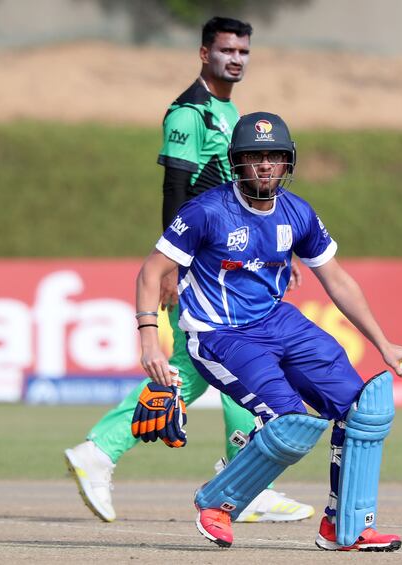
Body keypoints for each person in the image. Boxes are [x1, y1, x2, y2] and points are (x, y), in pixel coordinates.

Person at [135, 111, 402, 551]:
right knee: (290, 423)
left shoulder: (297, 212)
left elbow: (337, 280)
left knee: (363, 409)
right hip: (219, 334)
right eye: (254, 157)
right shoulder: (206, 211)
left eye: (274, 157)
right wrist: (150, 339)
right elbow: (151, 272)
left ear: (288, 163)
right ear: (237, 163)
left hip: (277, 321)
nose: (264, 166)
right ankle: (217, 501)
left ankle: (346, 527)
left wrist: (382, 343)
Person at [64, 17, 308, 525]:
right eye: (226, 50)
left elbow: (242, 194)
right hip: (201, 261)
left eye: (243, 50)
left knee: (212, 365)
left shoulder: (226, 107)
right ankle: (235, 477)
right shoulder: (188, 113)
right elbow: (176, 189)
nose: (236, 58)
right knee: (226, 360)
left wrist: (273, 248)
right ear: (204, 53)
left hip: (228, 260)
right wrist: (173, 266)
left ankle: (235, 477)